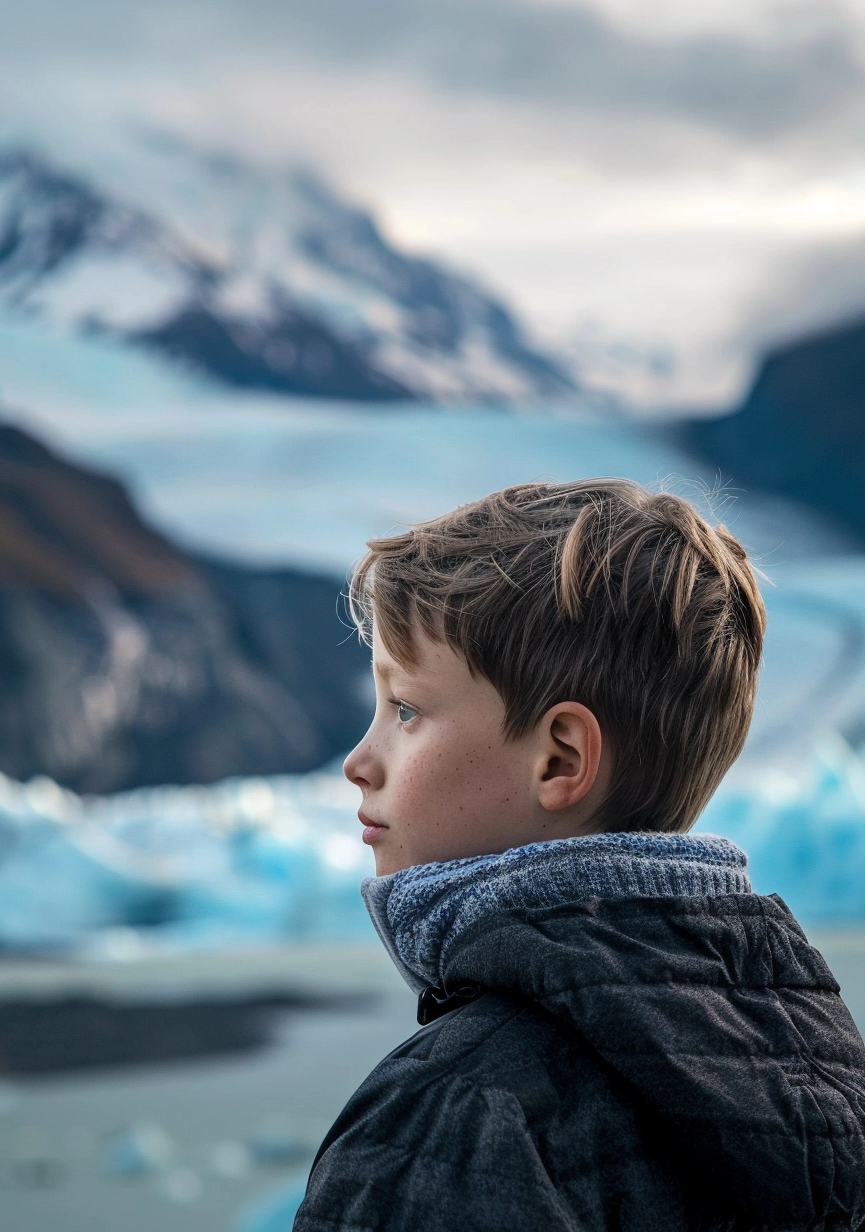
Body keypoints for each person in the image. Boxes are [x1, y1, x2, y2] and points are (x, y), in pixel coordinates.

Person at [293, 479, 865, 1232]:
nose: (359, 761)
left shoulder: (451, 1112)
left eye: (406, 709)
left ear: (561, 760)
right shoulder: (815, 1062)